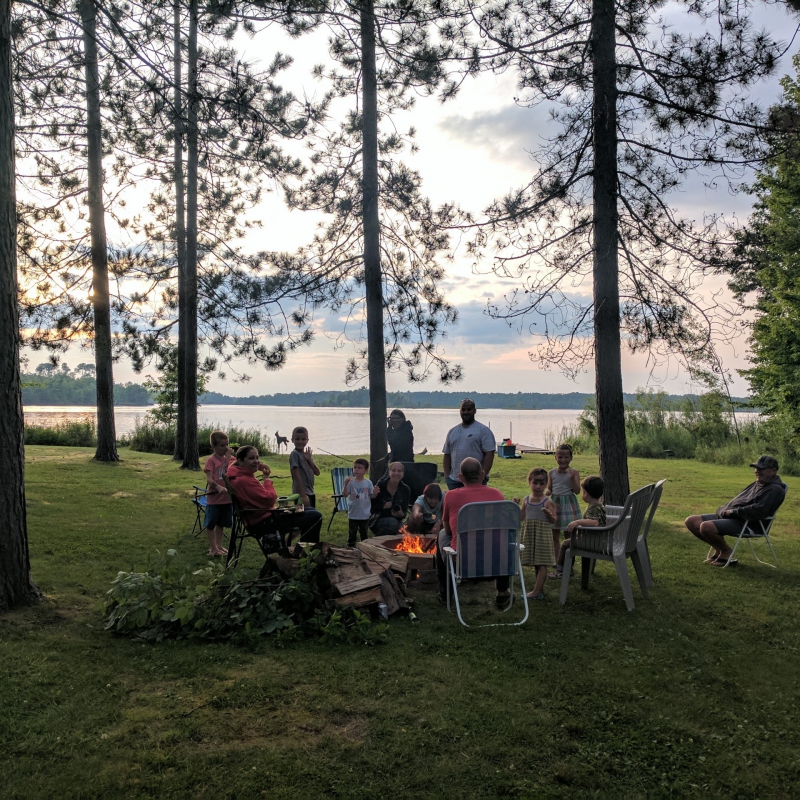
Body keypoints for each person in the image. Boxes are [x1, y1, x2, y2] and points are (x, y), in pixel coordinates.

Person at [684, 455, 787, 566]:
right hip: (734, 517)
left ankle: (726, 551)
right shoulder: (758, 483)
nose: (757, 471)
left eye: (761, 469)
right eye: (756, 468)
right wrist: (723, 509)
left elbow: (759, 511)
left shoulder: (775, 489)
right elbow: (739, 500)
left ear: (773, 471)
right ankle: (718, 549)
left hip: (749, 524)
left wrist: (732, 512)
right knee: (691, 521)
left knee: (706, 527)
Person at [435, 457, 510, 607]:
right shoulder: (497, 495)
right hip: (497, 563)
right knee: (500, 542)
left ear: (460, 477)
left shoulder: (451, 496)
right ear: (482, 474)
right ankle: (502, 593)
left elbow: (449, 529)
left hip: (464, 564)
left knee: (442, 535)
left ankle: (446, 594)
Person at [226, 445, 323, 546]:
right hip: (264, 521)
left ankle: (303, 549)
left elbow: (232, 464)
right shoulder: (244, 480)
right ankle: (308, 552)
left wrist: (258, 465)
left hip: (264, 515)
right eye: (251, 458)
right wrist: (267, 481)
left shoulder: (234, 474)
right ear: (241, 461)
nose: (256, 461)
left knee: (312, 510)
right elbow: (270, 499)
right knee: (315, 516)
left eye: (257, 458)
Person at [550, 475, 606, 579]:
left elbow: (594, 522)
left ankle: (561, 570)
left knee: (566, 543)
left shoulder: (593, 508)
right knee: (571, 541)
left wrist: (577, 522)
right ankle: (567, 568)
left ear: (585, 493)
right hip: (599, 539)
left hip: (592, 542)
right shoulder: (599, 505)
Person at [516, 467, 557, 600]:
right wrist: (515, 506)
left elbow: (554, 520)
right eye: (535, 483)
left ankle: (536, 592)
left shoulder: (548, 502)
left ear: (546, 485)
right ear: (529, 482)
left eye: (542, 484)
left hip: (542, 535)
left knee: (541, 563)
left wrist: (548, 514)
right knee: (536, 563)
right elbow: (522, 517)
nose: (538, 487)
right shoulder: (526, 500)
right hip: (529, 533)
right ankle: (539, 591)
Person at [441, 398, 496, 490]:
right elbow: (447, 455)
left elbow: (489, 455)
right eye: (463, 409)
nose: (466, 412)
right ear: (460, 411)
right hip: (455, 481)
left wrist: (482, 475)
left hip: (476, 482)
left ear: (474, 411)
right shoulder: (452, 432)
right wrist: (447, 477)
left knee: (475, 504)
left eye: (469, 409)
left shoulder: (483, 431)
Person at [203, 430, 235, 557]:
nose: (226, 448)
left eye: (227, 445)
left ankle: (219, 546)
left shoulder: (231, 459)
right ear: (214, 446)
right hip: (214, 499)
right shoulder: (211, 461)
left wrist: (228, 458)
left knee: (221, 524)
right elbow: (209, 479)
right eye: (222, 446)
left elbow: (231, 471)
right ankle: (213, 549)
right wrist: (218, 487)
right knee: (211, 524)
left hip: (227, 499)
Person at [546, 443, 581, 557]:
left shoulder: (574, 473)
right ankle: (557, 560)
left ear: (571, 458)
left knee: (568, 534)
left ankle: (567, 561)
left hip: (569, 505)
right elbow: (550, 489)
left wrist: (572, 479)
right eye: (560, 457)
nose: (563, 460)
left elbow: (577, 491)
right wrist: (543, 495)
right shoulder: (552, 473)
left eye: (566, 457)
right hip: (555, 504)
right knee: (554, 534)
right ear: (555, 457)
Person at [370, 461, 411, 536]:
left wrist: (401, 514)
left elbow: (404, 512)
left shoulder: (405, 489)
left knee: (405, 531)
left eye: (399, 471)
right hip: (378, 518)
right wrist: (383, 506)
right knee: (392, 524)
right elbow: (371, 507)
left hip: (396, 520)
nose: (396, 473)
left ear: (403, 474)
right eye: (393, 470)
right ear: (389, 472)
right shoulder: (381, 485)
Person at [344, 458, 375, 547]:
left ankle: (364, 547)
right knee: (352, 533)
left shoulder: (368, 483)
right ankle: (351, 547)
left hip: (364, 514)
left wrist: (375, 493)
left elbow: (372, 496)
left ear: (365, 470)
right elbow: (345, 495)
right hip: (353, 513)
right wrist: (345, 485)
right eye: (355, 467)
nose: (356, 469)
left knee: (364, 533)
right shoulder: (351, 482)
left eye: (359, 468)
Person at [289, 426, 320, 508]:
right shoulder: (294, 454)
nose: (300, 441)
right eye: (297, 439)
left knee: (312, 516)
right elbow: (296, 475)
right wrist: (302, 495)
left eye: (303, 439)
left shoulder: (306, 455)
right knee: (304, 517)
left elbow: (317, 472)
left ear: (307, 440)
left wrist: (309, 460)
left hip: (310, 491)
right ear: (292, 440)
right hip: (301, 493)